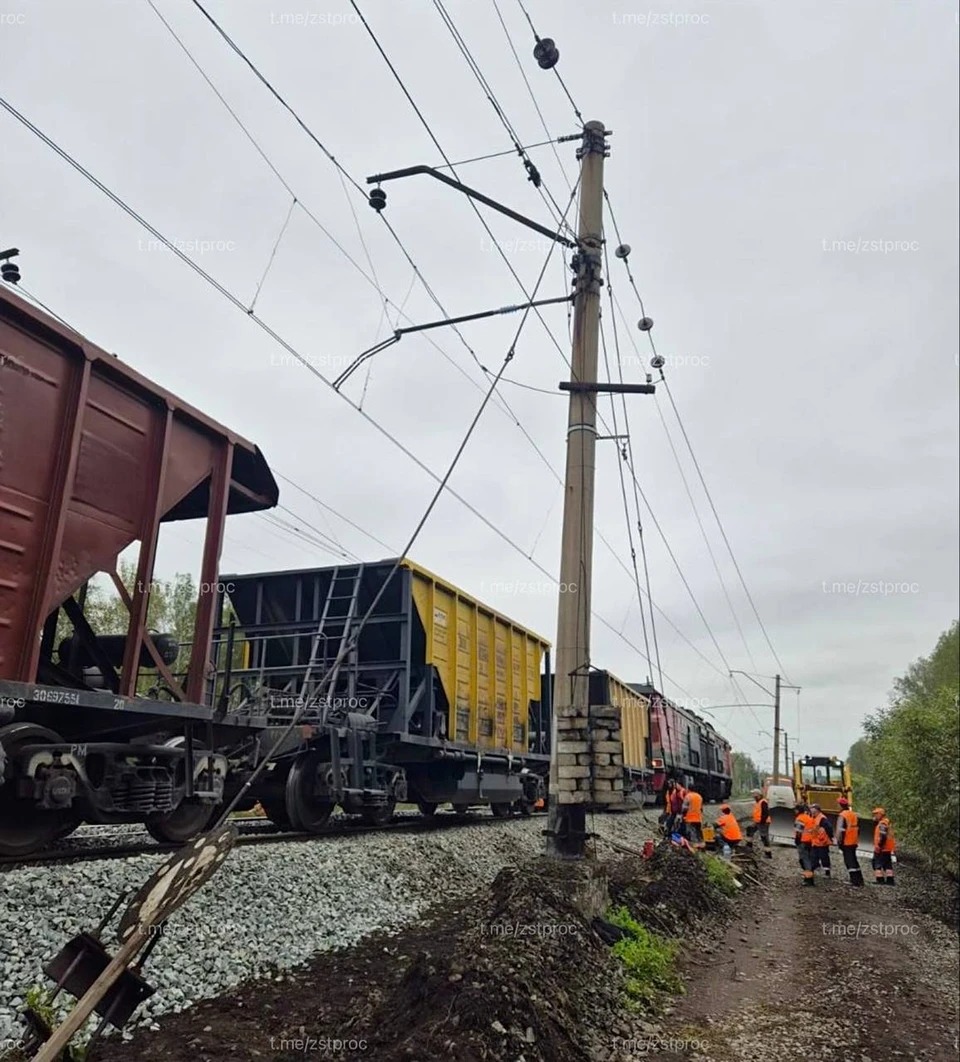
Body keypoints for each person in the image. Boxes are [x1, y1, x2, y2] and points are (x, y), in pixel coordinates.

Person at [835, 798, 863, 886]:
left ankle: (854, 881)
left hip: (846, 841)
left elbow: (841, 830)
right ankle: (860, 879)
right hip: (853, 841)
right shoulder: (853, 814)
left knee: (849, 861)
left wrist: (839, 842)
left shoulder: (842, 815)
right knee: (854, 860)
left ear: (840, 805)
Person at [793, 801, 817, 886]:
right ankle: (810, 877)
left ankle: (808, 879)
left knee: (804, 860)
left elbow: (799, 832)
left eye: (795, 810)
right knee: (809, 859)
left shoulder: (800, 818)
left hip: (803, 842)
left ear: (798, 810)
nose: (794, 811)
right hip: (810, 842)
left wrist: (797, 840)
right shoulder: (809, 818)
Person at [872, 807, 896, 885]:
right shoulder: (887, 822)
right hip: (888, 848)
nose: (874, 816)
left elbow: (883, 836)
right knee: (887, 864)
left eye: (876, 814)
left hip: (882, 848)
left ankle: (880, 880)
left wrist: (879, 846)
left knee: (876, 863)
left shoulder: (882, 824)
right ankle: (890, 880)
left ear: (880, 814)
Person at [809, 803, 834, 877]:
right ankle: (812, 870)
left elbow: (829, 828)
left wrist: (831, 837)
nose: (812, 813)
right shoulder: (814, 817)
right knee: (813, 856)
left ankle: (827, 873)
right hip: (815, 842)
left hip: (822, 842)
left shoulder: (822, 818)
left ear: (818, 811)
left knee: (824, 857)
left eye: (813, 811)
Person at [747, 787, 773, 858]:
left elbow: (765, 813)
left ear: (757, 794)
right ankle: (749, 847)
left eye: (753, 794)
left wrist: (762, 822)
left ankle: (768, 854)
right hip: (758, 822)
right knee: (749, 829)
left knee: (764, 837)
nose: (752, 795)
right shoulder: (758, 802)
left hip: (763, 822)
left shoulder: (763, 802)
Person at [681, 784, 705, 849]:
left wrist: (682, 815)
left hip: (690, 818)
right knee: (699, 832)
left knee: (692, 832)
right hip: (698, 818)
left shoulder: (688, 796)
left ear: (688, 789)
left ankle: (695, 846)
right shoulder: (699, 797)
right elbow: (701, 808)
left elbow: (684, 808)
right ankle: (702, 844)